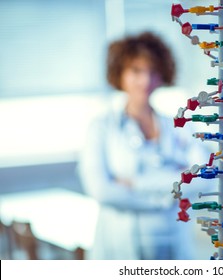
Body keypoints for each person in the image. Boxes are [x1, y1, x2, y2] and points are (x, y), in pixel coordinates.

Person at [78, 32, 207, 260]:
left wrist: (136, 183)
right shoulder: (101, 128)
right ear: (120, 73)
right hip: (120, 246)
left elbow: (204, 178)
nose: (146, 80)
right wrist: (165, 198)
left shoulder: (178, 127)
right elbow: (101, 190)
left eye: (153, 71)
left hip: (173, 244)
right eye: (136, 71)